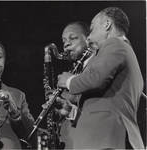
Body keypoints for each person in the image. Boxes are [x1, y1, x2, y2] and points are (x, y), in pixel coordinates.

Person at [57, 7, 144, 149]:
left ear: (107, 24)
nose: (89, 37)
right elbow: (107, 99)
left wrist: (68, 80)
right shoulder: (122, 49)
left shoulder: (115, 43)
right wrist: (72, 109)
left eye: (92, 29)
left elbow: (95, 79)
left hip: (105, 138)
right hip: (105, 137)